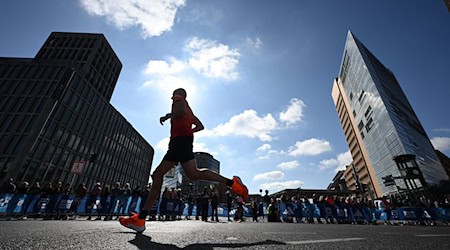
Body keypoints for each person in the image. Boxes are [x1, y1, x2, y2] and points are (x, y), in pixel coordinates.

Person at [119, 88, 248, 232]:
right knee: (193, 174)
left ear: (177, 94)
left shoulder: (179, 101)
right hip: (183, 141)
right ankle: (231, 182)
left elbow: (179, 112)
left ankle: (141, 219)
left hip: (178, 142)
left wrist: (168, 116)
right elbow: (200, 126)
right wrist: (189, 130)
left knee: (158, 174)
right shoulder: (190, 110)